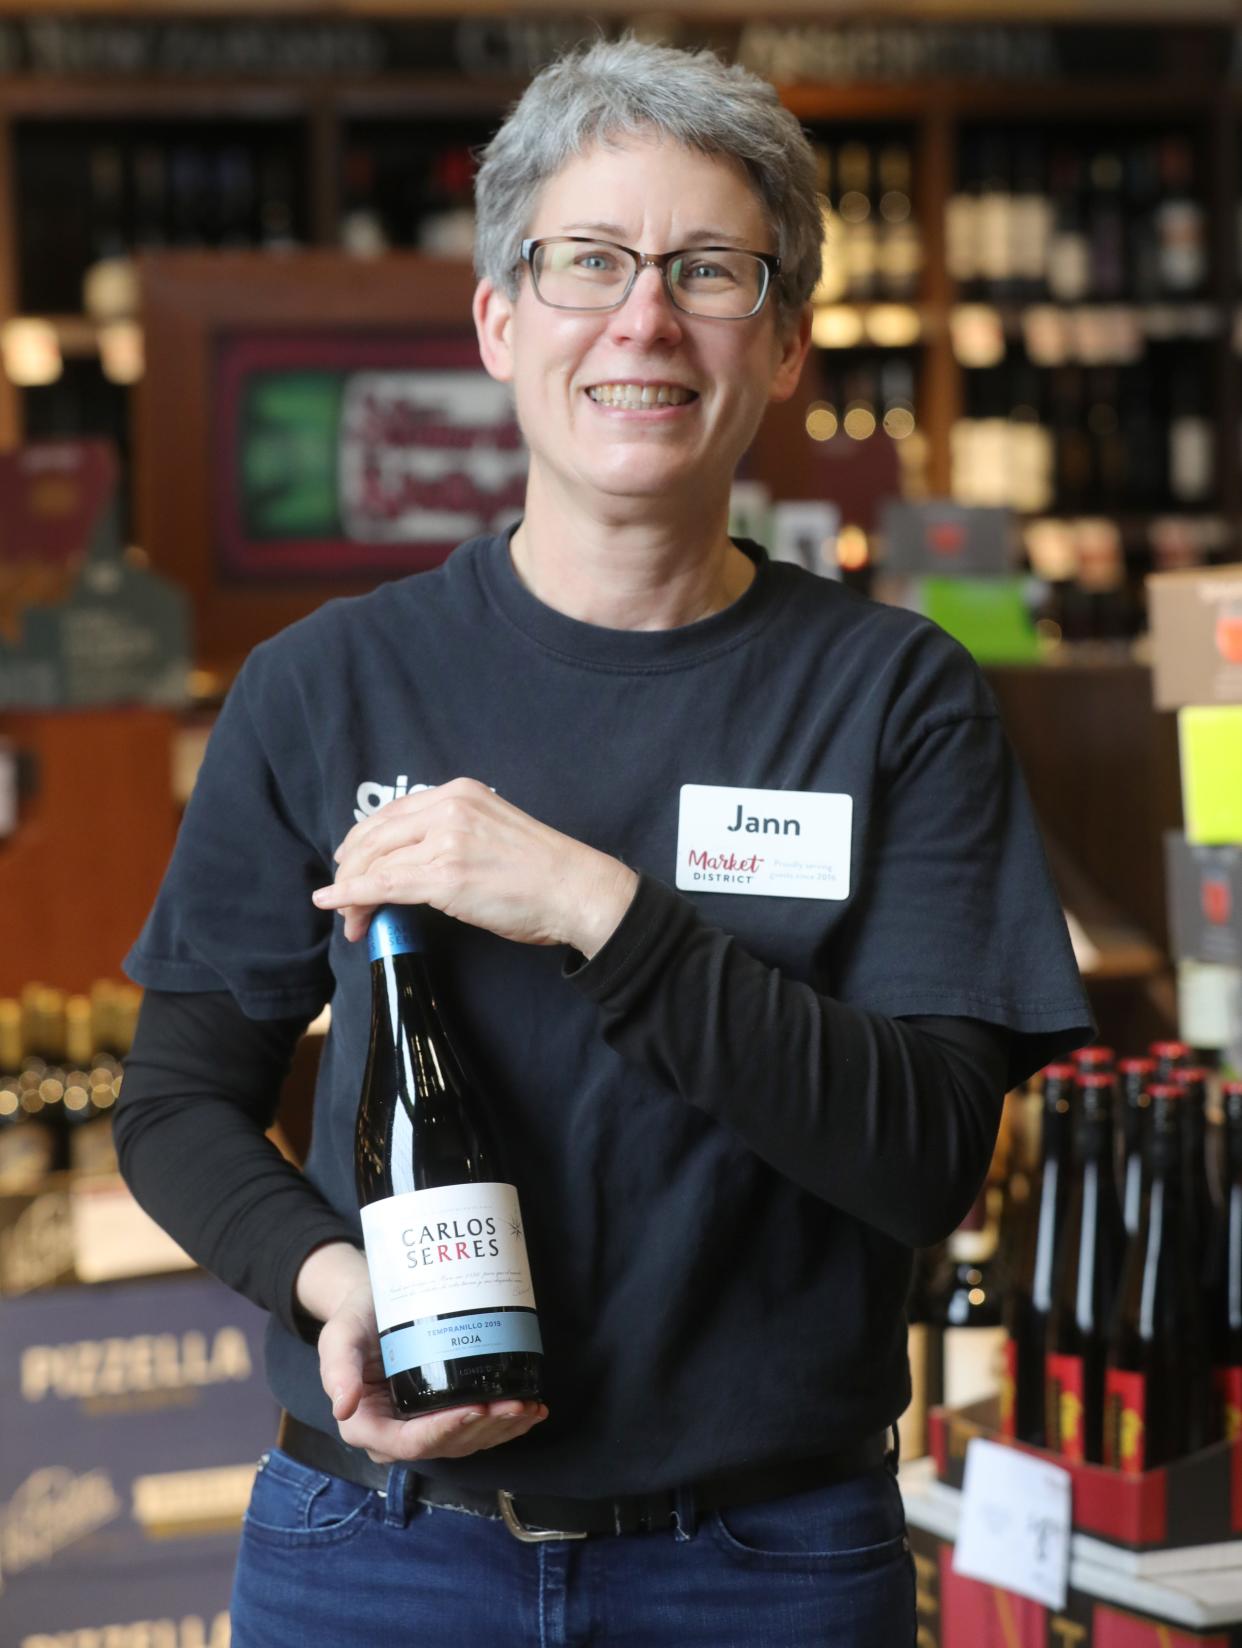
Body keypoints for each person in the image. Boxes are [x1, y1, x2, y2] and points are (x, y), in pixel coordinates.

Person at [116, 37, 1092, 1648]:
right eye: (588, 263)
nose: (642, 318)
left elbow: (924, 1158)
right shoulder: (324, 685)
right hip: (376, 1553)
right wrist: (328, 1281)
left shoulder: (890, 697)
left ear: (781, 346)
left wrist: (590, 904)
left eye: (707, 270)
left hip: (762, 1561)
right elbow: (175, 1101)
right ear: (500, 320)